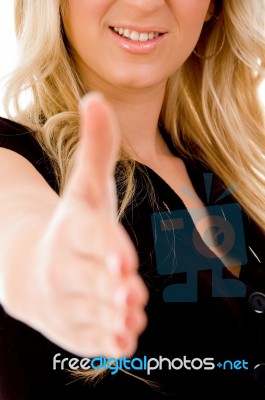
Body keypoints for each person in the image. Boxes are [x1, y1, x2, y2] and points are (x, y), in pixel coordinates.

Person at [0, 0, 265, 398]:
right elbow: (18, 227)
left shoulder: (223, 180)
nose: (145, 3)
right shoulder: (13, 159)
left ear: (213, 7)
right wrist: (40, 271)